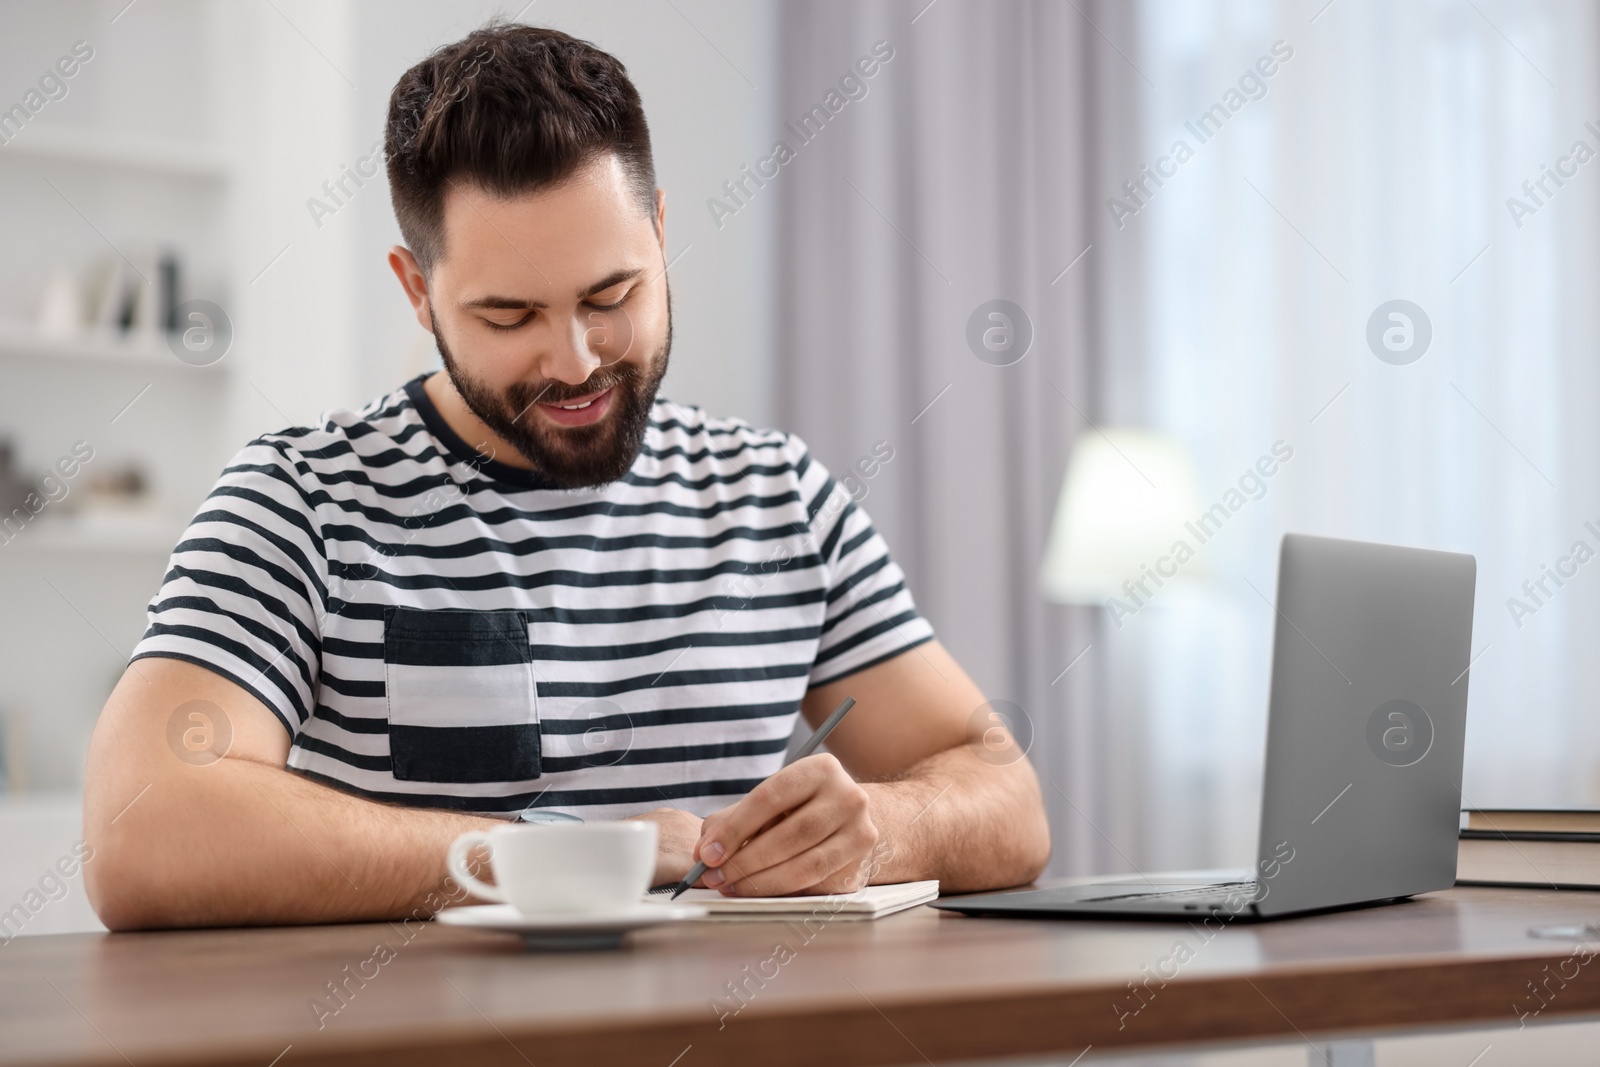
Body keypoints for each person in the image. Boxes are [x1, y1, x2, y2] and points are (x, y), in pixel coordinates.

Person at [83, 22, 1049, 930]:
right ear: (418, 290)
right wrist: (574, 858)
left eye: (612, 294)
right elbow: (139, 828)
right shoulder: (303, 499)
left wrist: (881, 828)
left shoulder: (779, 496)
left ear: (662, 234)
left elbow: (1008, 800)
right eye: (510, 318)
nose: (578, 360)